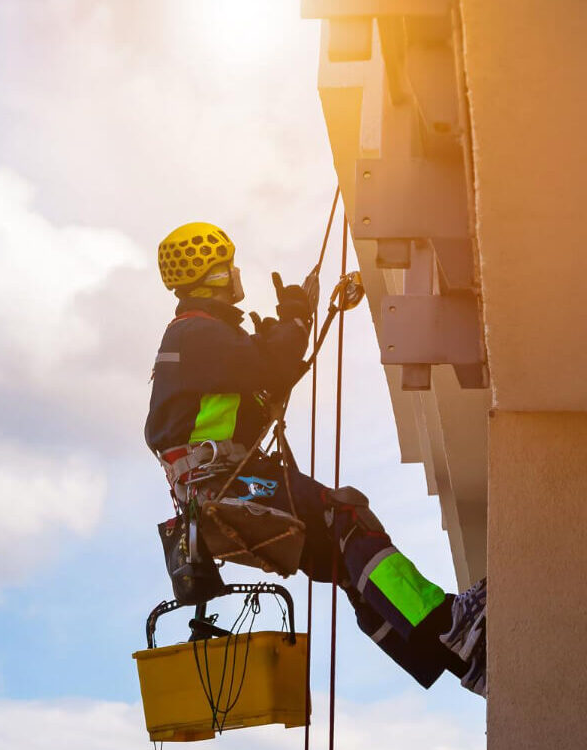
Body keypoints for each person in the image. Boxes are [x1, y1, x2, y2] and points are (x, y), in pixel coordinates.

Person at [145, 221, 486, 695]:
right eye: (229, 266)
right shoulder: (195, 334)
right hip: (223, 484)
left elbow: (266, 375)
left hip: (216, 487)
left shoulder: (203, 340)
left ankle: (456, 657)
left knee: (346, 563)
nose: (237, 273)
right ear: (215, 276)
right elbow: (271, 365)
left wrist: (285, 335)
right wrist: (296, 320)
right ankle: (454, 627)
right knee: (345, 514)